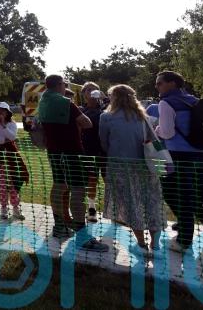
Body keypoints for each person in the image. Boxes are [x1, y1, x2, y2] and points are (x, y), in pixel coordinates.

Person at [155, 70, 203, 256]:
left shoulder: (166, 102)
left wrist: (157, 129)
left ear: (172, 83)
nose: (157, 87)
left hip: (179, 156)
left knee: (184, 198)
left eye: (159, 83)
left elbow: (168, 133)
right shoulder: (193, 100)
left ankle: (184, 241)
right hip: (202, 157)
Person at [39, 75, 108, 252]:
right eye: (64, 85)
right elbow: (87, 123)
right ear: (60, 85)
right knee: (78, 190)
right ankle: (82, 236)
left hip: (54, 152)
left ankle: (59, 227)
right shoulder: (65, 102)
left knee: (59, 185)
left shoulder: (42, 101)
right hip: (72, 152)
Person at [99, 85, 164, 254]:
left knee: (131, 203)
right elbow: (153, 141)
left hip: (120, 166)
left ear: (114, 98)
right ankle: (155, 244)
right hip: (146, 166)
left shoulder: (106, 118)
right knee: (151, 201)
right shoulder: (144, 117)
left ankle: (141, 244)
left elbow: (104, 143)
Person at [0, 102, 29, 220]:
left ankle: (16, 209)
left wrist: (3, 127)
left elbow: (12, 137)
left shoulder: (12, 124)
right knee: (2, 185)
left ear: (7, 112)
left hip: (12, 158)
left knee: (14, 183)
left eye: (2, 111)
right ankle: (4, 209)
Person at [80, 82, 107, 223]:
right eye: (88, 90)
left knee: (109, 180)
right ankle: (91, 209)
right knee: (91, 180)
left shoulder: (106, 109)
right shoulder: (80, 111)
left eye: (94, 90)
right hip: (88, 151)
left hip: (106, 151)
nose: (91, 92)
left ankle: (113, 210)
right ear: (83, 94)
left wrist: (106, 99)